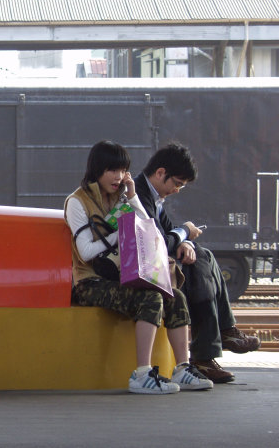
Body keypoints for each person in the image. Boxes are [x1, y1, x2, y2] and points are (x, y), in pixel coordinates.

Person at [65, 140, 213, 394]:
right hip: (90, 282)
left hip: (121, 275)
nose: (119, 177)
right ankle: (142, 373)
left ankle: (182, 368)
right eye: (113, 170)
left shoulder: (121, 196)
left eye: (123, 170)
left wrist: (132, 197)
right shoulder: (78, 202)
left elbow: (149, 231)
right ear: (98, 169)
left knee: (175, 296)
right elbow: (86, 251)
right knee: (150, 298)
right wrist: (120, 232)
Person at [134, 142, 260, 384]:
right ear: (161, 173)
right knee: (199, 262)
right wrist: (185, 232)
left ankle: (221, 336)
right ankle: (211, 347)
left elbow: (170, 235)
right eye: (177, 184)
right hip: (143, 269)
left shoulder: (153, 195)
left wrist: (186, 242)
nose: (178, 190)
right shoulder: (139, 194)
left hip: (156, 264)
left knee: (202, 255)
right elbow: (157, 240)